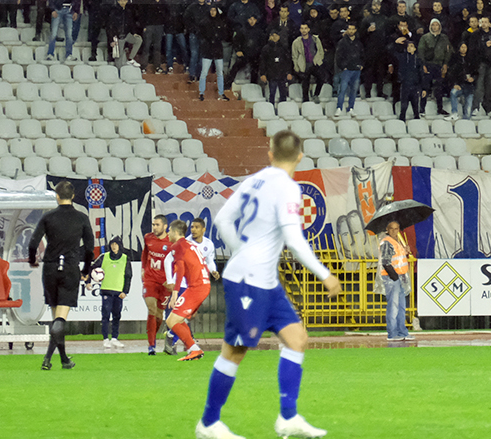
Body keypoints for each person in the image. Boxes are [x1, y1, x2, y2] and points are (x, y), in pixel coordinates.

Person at [201, 130, 342, 439]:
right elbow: (293, 239)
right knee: (235, 351)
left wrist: (241, 250)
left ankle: (288, 418)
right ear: (301, 156)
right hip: (249, 280)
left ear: (270, 153)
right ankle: (208, 424)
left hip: (264, 279)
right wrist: (325, 273)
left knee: (297, 339)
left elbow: (222, 220)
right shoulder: (289, 189)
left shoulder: (253, 180)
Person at [27, 180, 97, 370]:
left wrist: (32, 259)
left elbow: (33, 242)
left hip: (50, 269)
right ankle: (50, 359)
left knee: (56, 317)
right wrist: (86, 270)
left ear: (57, 196)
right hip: (69, 269)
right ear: (73, 196)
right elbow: (90, 248)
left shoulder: (48, 217)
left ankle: (61, 359)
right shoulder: (82, 218)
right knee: (60, 319)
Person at [165, 219, 212, 361]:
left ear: (175, 232)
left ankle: (194, 349)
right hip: (202, 285)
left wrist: (174, 293)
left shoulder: (178, 245)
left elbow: (180, 270)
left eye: (169, 231)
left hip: (196, 287)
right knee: (179, 320)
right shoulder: (190, 244)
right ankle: (194, 350)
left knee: (171, 321)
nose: (168, 233)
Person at [141, 213, 174, 355]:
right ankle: (151, 346)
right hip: (150, 280)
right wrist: (143, 268)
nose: (154, 227)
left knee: (160, 314)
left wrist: (172, 280)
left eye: (157, 225)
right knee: (152, 309)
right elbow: (145, 253)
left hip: (165, 283)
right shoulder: (148, 238)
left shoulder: (171, 241)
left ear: (165, 226)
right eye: (153, 225)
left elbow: (178, 261)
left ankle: (153, 337)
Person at [377, 215, 412, 343]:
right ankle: (392, 333)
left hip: (399, 277)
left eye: (396, 229)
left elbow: (397, 259)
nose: (394, 231)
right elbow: (386, 262)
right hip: (393, 278)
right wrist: (395, 277)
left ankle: (402, 332)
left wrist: (405, 251)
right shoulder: (387, 242)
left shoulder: (397, 242)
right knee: (394, 306)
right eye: (392, 229)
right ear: (387, 229)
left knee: (401, 306)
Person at [97, 236, 132, 347]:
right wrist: (89, 279)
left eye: (116, 244)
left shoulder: (125, 258)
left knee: (117, 315)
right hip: (106, 290)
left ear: (120, 246)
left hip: (118, 292)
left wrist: (125, 291)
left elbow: (128, 276)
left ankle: (115, 338)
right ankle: (105, 338)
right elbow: (93, 267)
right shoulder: (104, 257)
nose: (114, 246)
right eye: (112, 244)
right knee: (106, 315)